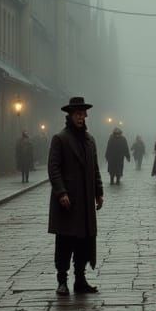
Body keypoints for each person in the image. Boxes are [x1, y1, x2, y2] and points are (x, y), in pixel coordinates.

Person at [48, 97, 104, 296]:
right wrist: (61, 192)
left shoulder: (90, 140)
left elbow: (95, 168)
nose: (81, 117)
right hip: (68, 201)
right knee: (65, 241)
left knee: (84, 241)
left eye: (83, 114)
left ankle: (80, 280)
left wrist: (99, 191)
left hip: (86, 200)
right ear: (70, 116)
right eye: (77, 114)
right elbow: (53, 168)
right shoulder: (60, 138)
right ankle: (62, 281)